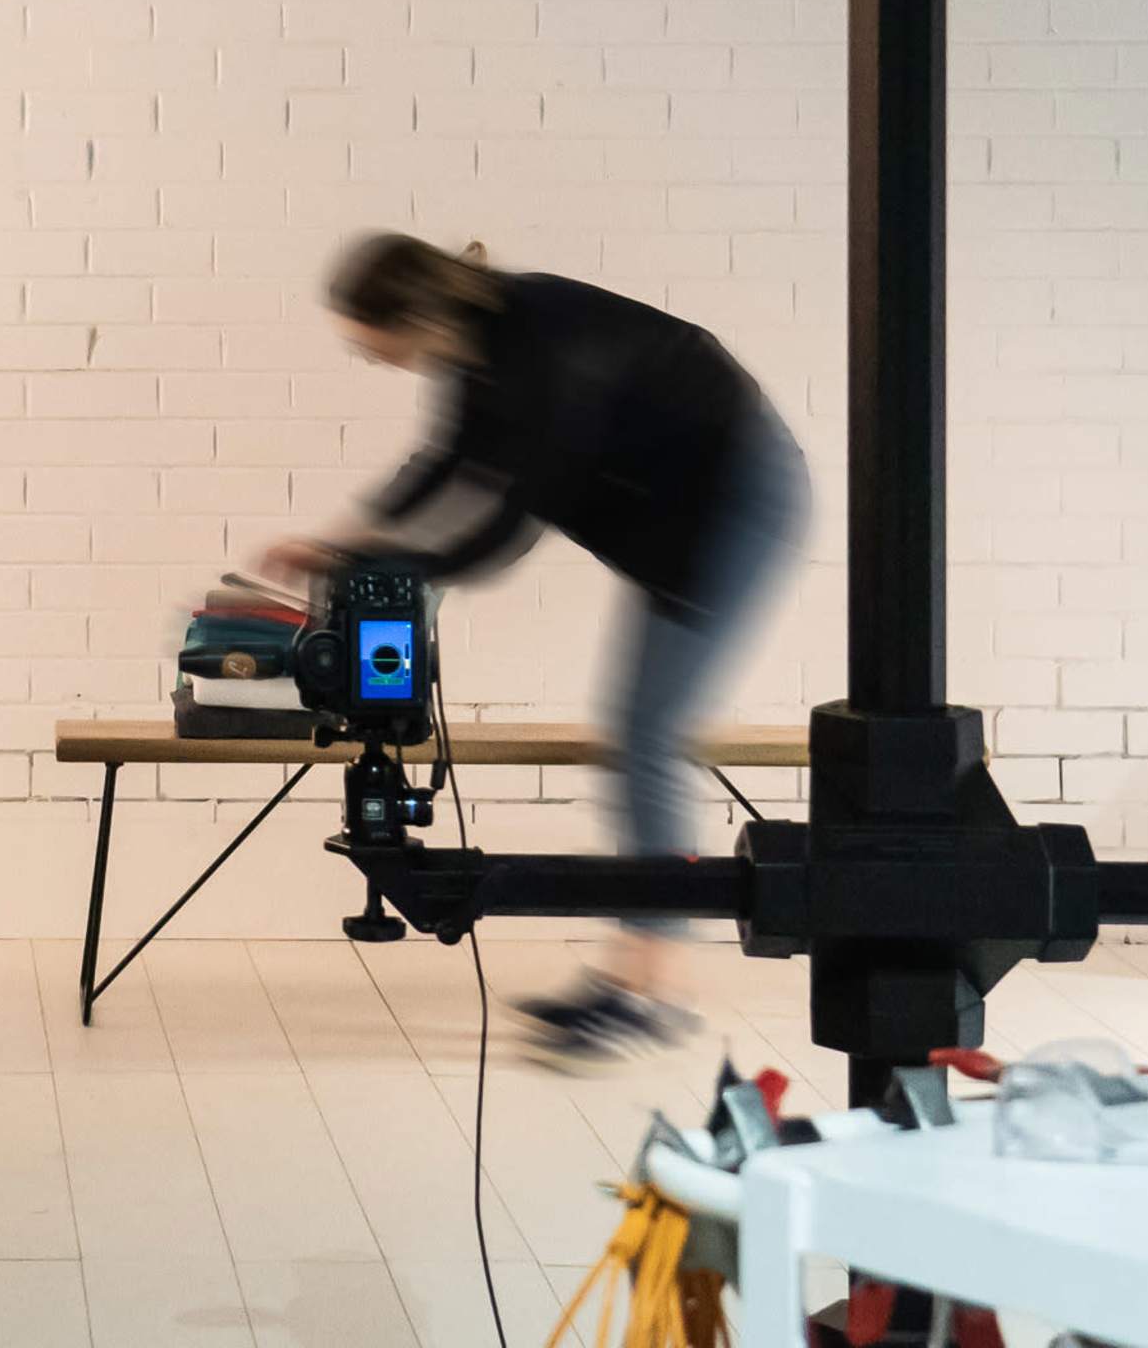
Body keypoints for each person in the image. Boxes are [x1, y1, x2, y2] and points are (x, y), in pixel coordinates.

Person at [262, 232, 803, 1067]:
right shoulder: (481, 342)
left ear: (408, 317)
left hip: (735, 503)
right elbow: (445, 465)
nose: (367, 360)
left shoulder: (545, 348)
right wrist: (338, 541)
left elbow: (503, 530)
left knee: (644, 738)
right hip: (675, 516)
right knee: (636, 735)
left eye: (368, 344)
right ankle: (641, 981)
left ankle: (652, 991)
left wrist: (380, 558)